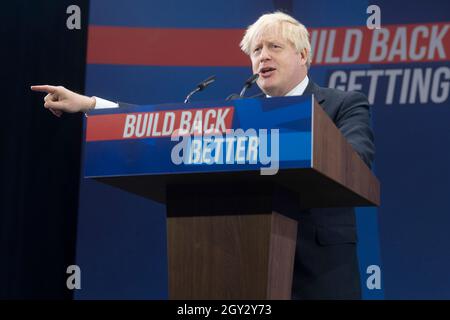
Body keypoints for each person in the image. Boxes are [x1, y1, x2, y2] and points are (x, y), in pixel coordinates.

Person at [31, 11, 374, 299]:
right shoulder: (237, 110)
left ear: (303, 56)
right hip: (241, 265)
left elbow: (356, 161)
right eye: (255, 50)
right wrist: (91, 104)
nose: (262, 56)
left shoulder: (344, 104)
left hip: (321, 271)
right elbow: (161, 126)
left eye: (274, 47)